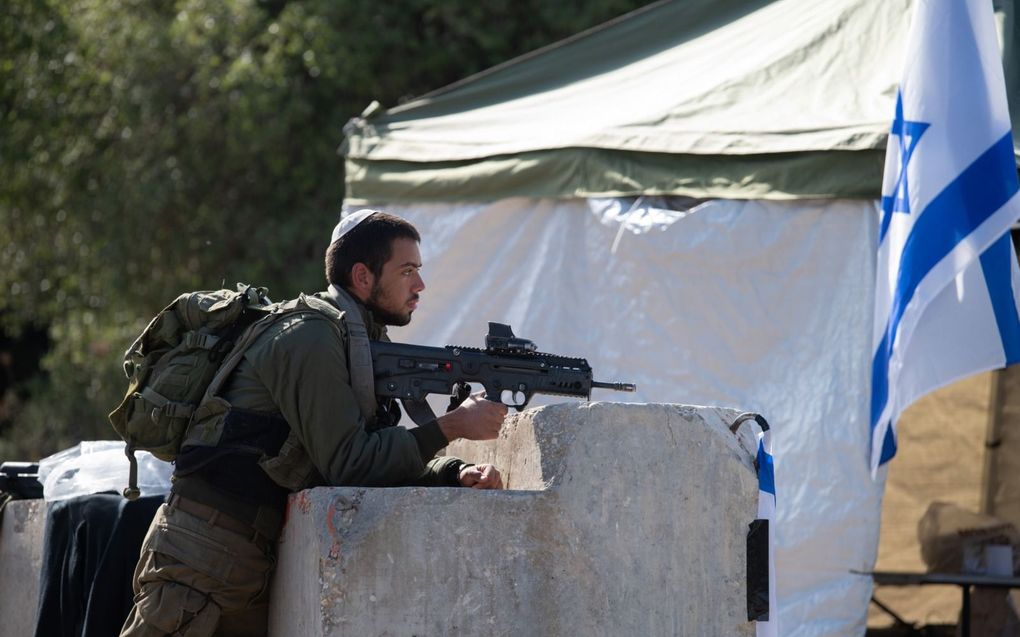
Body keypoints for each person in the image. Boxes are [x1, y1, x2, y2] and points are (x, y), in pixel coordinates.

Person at [119, 210, 507, 637]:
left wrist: (452, 473)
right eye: (407, 271)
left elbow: (368, 458)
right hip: (200, 557)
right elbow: (351, 463)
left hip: (247, 562)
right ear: (362, 276)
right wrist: (451, 427)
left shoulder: (358, 341)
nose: (420, 285)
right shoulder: (310, 336)